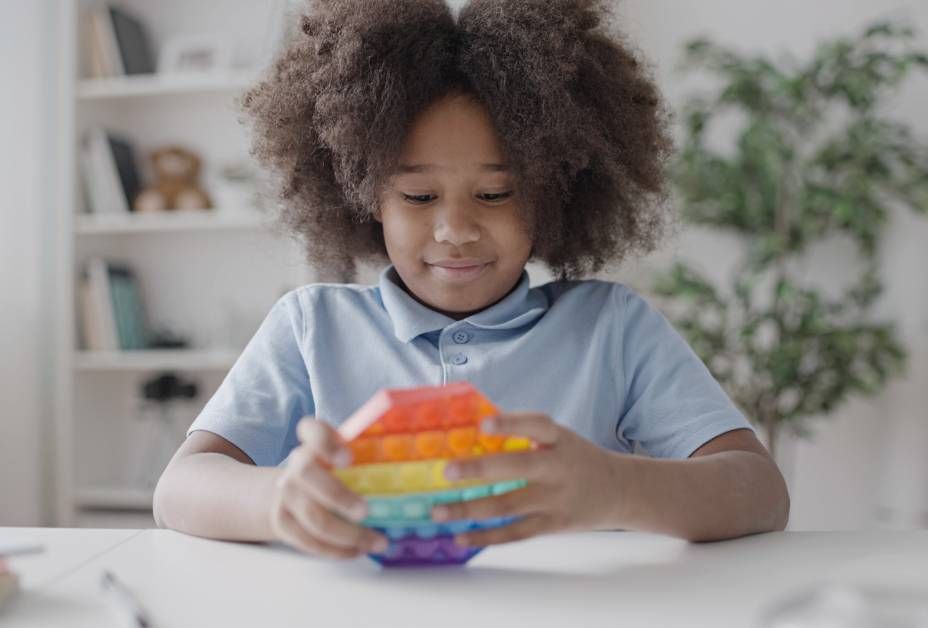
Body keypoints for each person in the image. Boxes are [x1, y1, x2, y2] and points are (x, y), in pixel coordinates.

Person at [154, 0, 789, 559]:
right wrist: (278, 500)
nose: (455, 229)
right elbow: (180, 489)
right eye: (420, 195)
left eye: (494, 192)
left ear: (552, 191)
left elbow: (760, 492)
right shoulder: (310, 326)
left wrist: (614, 489)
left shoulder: (612, 328)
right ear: (368, 197)